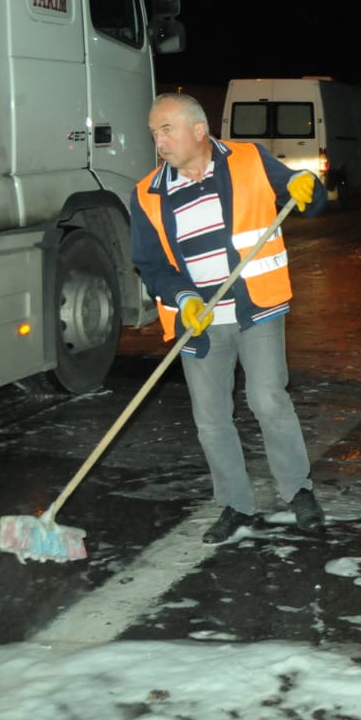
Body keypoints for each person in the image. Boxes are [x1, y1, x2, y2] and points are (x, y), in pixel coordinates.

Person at [130, 92, 330, 546]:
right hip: (199, 323)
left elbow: (305, 197)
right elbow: (149, 263)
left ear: (198, 130)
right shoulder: (147, 193)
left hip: (255, 307)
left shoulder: (248, 159)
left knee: (267, 399)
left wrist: (306, 186)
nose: (158, 141)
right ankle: (236, 505)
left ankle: (298, 493)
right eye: (154, 132)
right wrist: (183, 299)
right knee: (212, 419)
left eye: (166, 129)